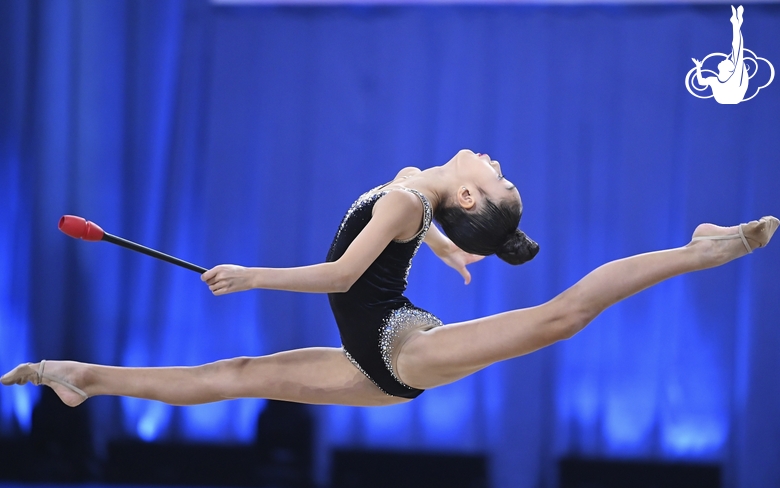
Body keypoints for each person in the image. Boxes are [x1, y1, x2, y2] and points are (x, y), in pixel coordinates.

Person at [2, 149, 778, 408]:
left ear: (469, 193)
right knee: (231, 374)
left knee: (559, 317)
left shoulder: (410, 199)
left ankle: (702, 248)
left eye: (499, 178)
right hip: (374, 363)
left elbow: (344, 272)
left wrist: (250, 277)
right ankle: (78, 378)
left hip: (396, 345)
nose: (497, 162)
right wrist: (444, 249)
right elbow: (411, 228)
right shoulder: (419, 190)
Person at [692, 5, 749, 104]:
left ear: (729, 69)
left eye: (727, 61)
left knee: (737, 51)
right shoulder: (714, 80)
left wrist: (736, 26)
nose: (725, 59)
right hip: (726, 98)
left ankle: (736, 23)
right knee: (736, 51)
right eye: (728, 61)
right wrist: (698, 67)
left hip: (733, 96)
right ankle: (736, 23)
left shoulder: (734, 78)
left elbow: (738, 50)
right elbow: (701, 82)